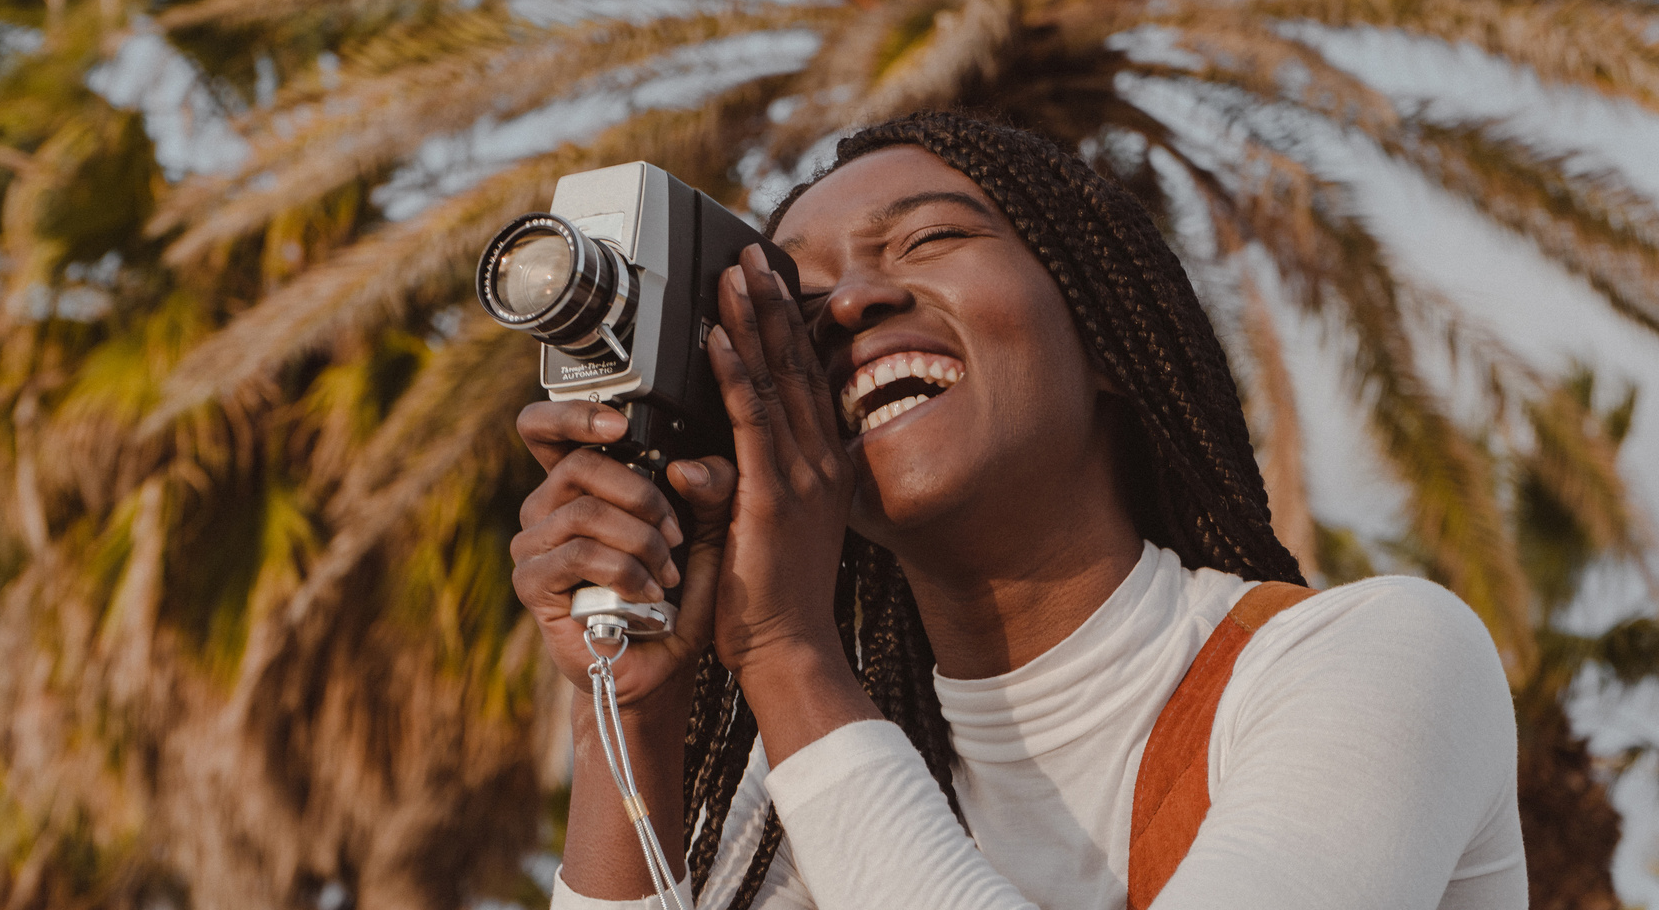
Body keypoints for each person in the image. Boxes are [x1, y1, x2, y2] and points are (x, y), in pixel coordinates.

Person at [510, 113, 1525, 910]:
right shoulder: (812, 789)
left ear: (1106, 335)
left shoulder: (1372, 659)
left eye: (929, 238)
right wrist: (627, 711)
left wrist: (784, 650)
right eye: (797, 301)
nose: (852, 301)